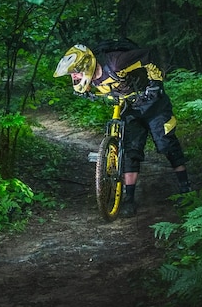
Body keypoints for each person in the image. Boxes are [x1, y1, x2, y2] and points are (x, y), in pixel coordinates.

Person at [53, 43, 191, 217]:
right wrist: (87, 93)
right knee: (129, 150)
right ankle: (129, 199)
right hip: (129, 106)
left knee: (166, 143)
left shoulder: (117, 63)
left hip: (153, 102)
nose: (74, 76)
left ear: (86, 65)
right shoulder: (91, 78)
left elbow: (148, 56)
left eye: (75, 72)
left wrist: (155, 83)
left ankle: (187, 189)